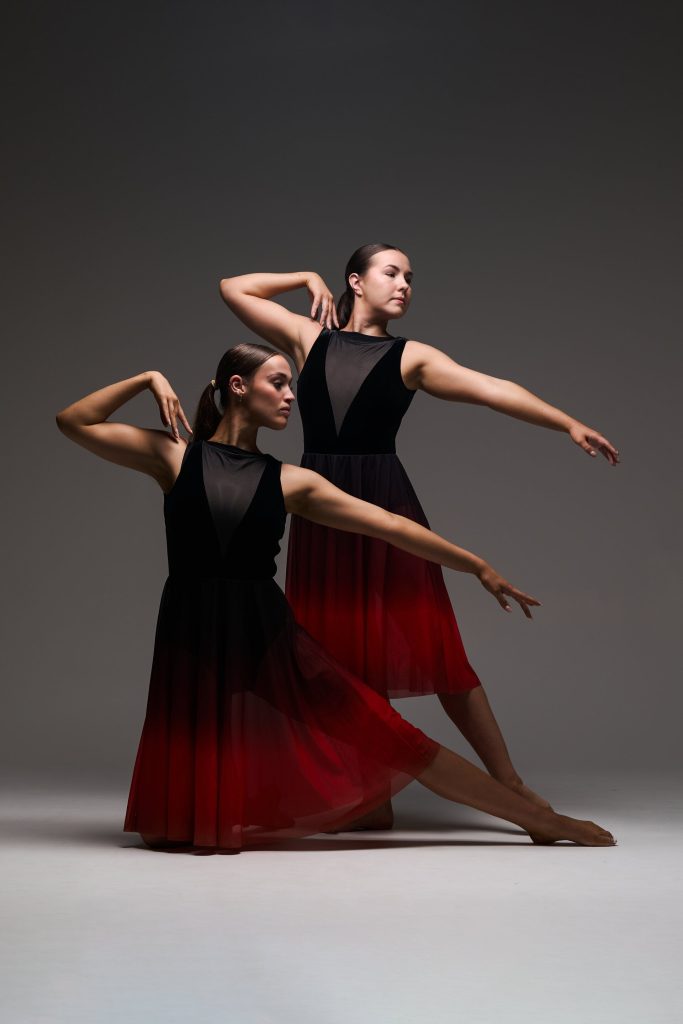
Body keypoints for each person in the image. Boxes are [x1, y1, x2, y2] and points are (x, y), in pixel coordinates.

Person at [55, 344, 615, 852]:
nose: (292, 396)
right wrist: (149, 375)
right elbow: (73, 420)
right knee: (164, 833)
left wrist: (477, 566)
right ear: (237, 386)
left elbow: (392, 526)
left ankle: (540, 821)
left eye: (291, 385)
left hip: (263, 633)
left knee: (397, 739)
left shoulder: (292, 482)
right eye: (278, 383)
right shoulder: (173, 457)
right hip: (190, 630)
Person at [219, 244, 620, 826]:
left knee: (437, 649)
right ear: (355, 281)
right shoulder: (309, 339)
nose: (405, 284)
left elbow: (492, 387)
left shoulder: (412, 357)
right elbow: (234, 286)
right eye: (392, 273)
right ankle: (370, 789)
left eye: (410, 277)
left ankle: (511, 786)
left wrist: (566, 423)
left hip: (384, 501)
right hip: (318, 505)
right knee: (337, 652)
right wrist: (305, 274)